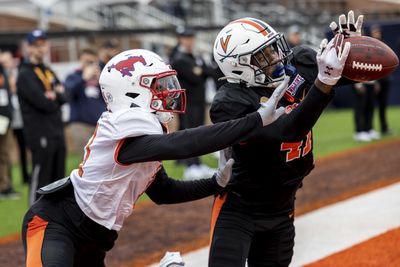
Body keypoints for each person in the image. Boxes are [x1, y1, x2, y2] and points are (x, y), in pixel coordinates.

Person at [21, 48, 290, 267]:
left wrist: (215, 183)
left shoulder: (146, 132)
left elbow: (164, 191)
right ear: (131, 90)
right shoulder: (123, 124)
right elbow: (181, 145)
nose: (169, 91)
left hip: (95, 238)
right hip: (56, 225)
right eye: (159, 84)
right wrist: (252, 121)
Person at [208, 12, 359, 266]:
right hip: (239, 207)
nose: (277, 57)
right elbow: (285, 132)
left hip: (283, 205)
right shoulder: (230, 103)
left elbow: (346, 74)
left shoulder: (298, 63)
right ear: (239, 66)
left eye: (273, 49)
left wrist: (352, 51)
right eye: (264, 55)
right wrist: (323, 83)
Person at [16, 29, 68, 204]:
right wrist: (55, 97)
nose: (41, 49)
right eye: (36, 45)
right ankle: (33, 215)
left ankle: (54, 219)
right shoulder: (24, 74)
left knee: (58, 178)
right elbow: (43, 103)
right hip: (40, 133)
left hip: (56, 130)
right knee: (41, 176)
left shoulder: (48, 70)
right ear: (29, 48)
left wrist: (55, 96)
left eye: (43, 44)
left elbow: (64, 96)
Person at [170, 26, 215, 180]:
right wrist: (201, 71)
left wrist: (201, 70)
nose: (190, 41)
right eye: (186, 38)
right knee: (190, 133)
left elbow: (209, 72)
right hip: (187, 102)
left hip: (198, 100)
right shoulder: (179, 58)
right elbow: (195, 77)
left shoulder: (194, 56)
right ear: (181, 39)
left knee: (198, 131)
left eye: (191, 37)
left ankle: (197, 163)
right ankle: (190, 166)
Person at [64, 47, 106, 156]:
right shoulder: (73, 77)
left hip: (100, 124)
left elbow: (109, 99)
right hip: (80, 124)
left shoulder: (101, 79)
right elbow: (68, 94)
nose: (89, 65)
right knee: (86, 158)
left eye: (91, 62)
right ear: (80, 61)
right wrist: (83, 78)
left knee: (103, 158)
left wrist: (101, 81)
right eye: (86, 62)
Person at [0, 51, 31, 185]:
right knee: (4, 152)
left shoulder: (15, 73)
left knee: (15, 150)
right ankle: (5, 184)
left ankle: (15, 181)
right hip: (6, 119)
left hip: (15, 118)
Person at [370, 24, 392, 136]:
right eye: (375, 32)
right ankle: (371, 129)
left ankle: (384, 127)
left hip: (385, 80)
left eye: (378, 31)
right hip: (375, 81)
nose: (377, 33)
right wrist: (375, 82)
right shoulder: (369, 47)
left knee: (383, 106)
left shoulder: (383, 45)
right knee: (371, 106)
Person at [0, 56, 17, 199]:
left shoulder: (3, 72)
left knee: (6, 154)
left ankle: (7, 186)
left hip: (5, 120)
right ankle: (3, 187)